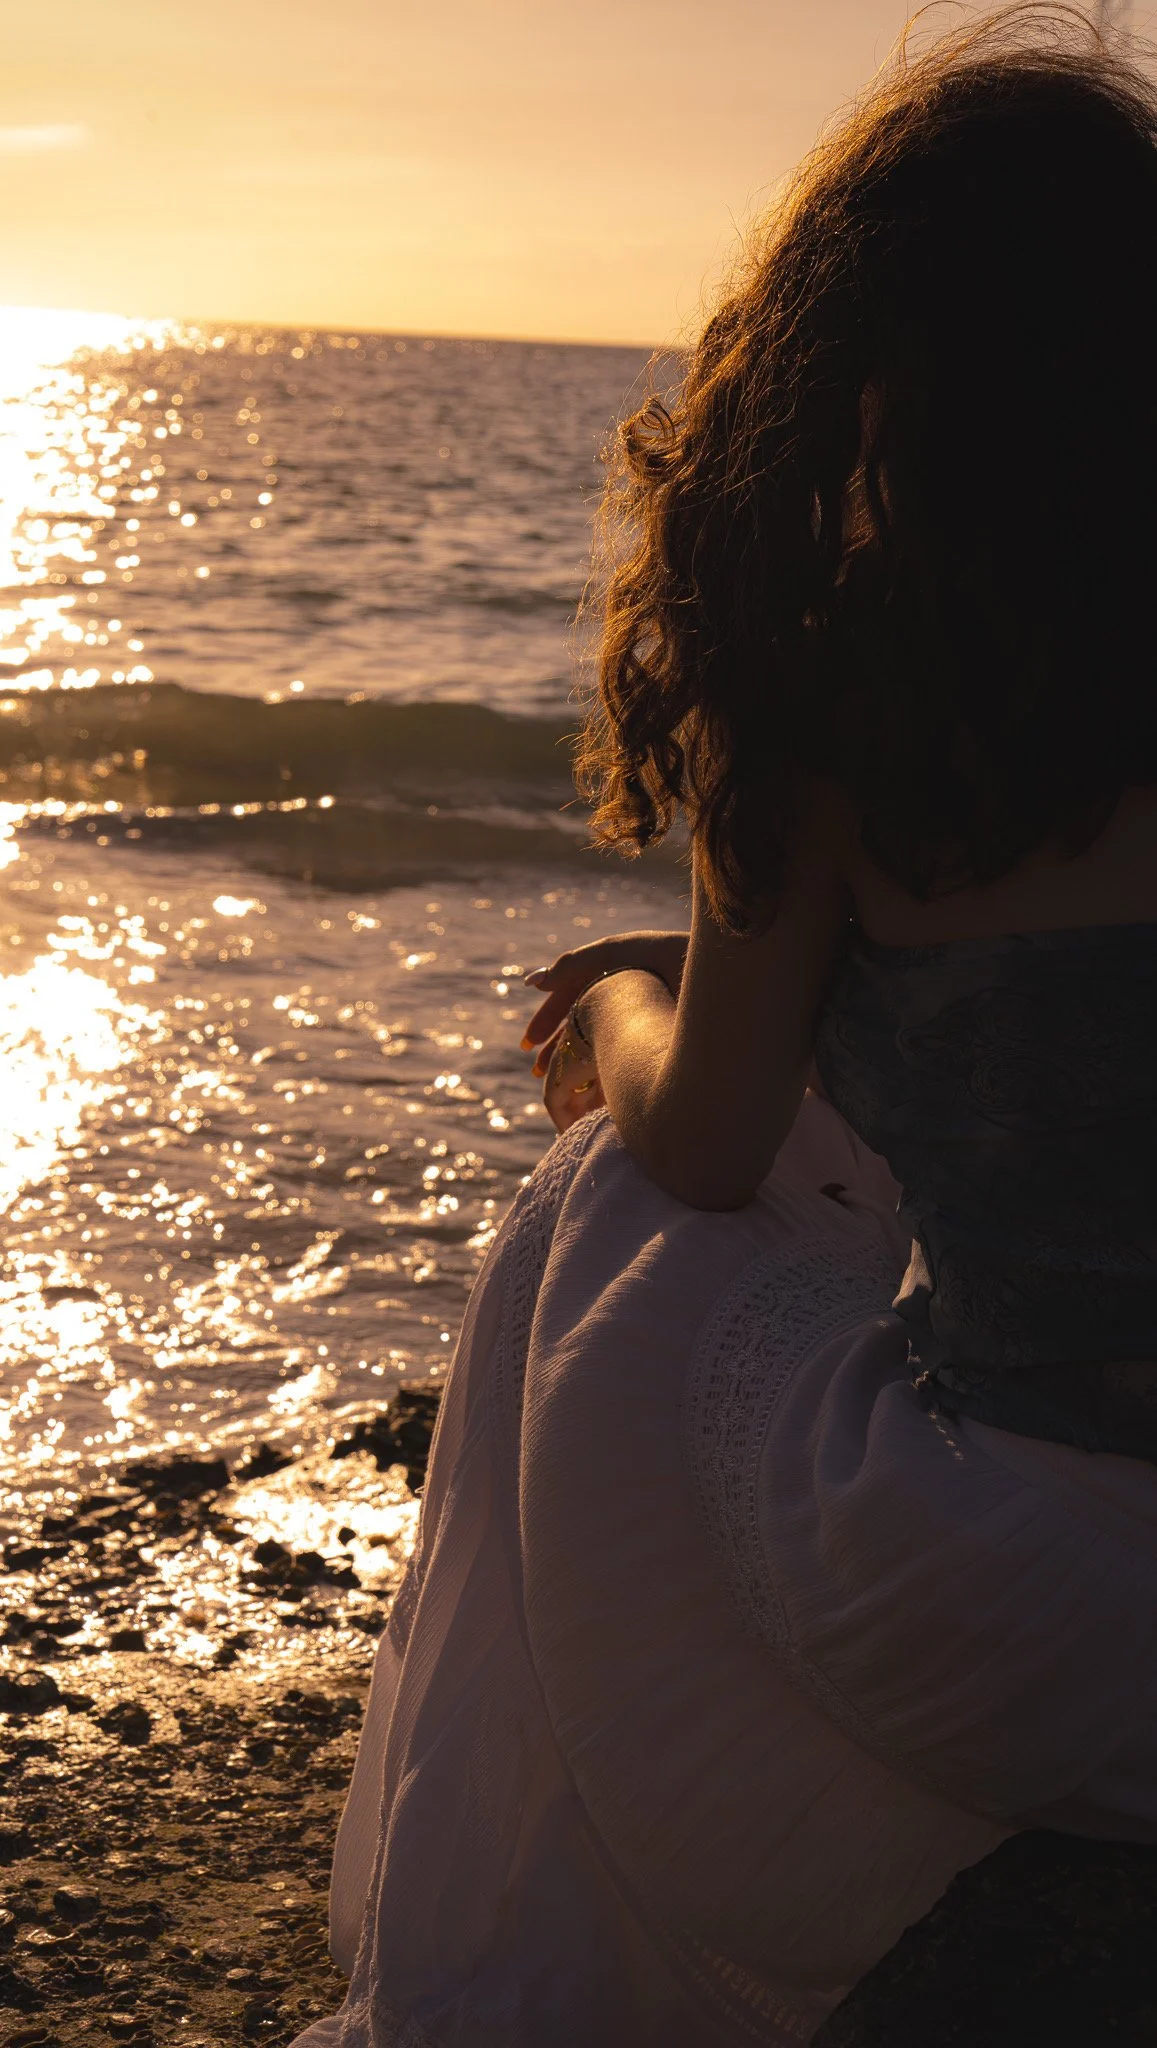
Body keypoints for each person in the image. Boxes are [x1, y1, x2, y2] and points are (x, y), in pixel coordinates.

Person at [294, 10, 1157, 2043]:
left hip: (1016, 1615)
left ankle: (509, 1950)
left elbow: (706, 1137)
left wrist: (618, 999)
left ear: (854, 372)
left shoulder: (842, 704)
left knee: (609, 1208)